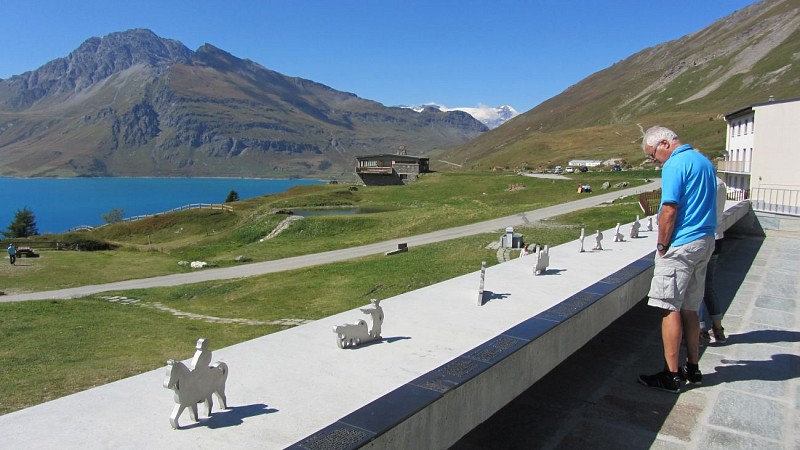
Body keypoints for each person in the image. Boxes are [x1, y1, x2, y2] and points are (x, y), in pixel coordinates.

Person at [638, 126, 717, 393]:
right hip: (705, 240)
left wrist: (662, 244)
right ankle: (692, 368)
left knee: (668, 306)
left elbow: (670, 207)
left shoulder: (675, 164)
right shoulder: (703, 161)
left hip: (682, 245)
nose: (654, 160)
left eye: (652, 155)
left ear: (663, 144)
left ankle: (671, 375)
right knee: (690, 307)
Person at [699, 176, 728, 344]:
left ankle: (700, 330)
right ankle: (718, 329)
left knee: (695, 288)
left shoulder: (704, 182)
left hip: (703, 238)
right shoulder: (720, 183)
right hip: (718, 237)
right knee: (707, 286)